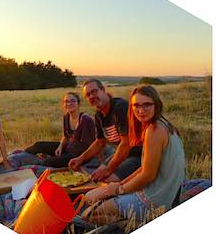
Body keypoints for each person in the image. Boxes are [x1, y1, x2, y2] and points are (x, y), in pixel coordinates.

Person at [80, 85, 186, 225]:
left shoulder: (154, 131)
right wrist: (120, 183)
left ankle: (134, 224)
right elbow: (144, 168)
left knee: (88, 215)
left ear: (156, 104)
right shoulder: (163, 124)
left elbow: (148, 175)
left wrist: (118, 190)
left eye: (147, 105)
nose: (141, 110)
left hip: (155, 199)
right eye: (136, 105)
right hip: (166, 191)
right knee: (90, 196)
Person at [69, 79, 142, 182]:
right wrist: (81, 158)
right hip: (123, 154)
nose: (92, 96)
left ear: (103, 90)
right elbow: (100, 142)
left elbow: (127, 143)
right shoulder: (99, 115)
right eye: (88, 95)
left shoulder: (120, 107)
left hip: (139, 155)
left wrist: (109, 169)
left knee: (105, 179)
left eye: (94, 91)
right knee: (95, 176)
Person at [8, 92, 95, 168]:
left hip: (78, 155)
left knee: (49, 162)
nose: (69, 103)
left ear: (78, 103)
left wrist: (80, 158)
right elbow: (66, 136)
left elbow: (90, 144)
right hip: (68, 148)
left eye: (73, 101)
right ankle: (19, 156)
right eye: (66, 101)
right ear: (63, 104)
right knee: (38, 145)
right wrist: (60, 147)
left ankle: (33, 164)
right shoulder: (66, 117)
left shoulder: (85, 120)